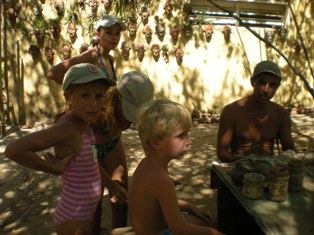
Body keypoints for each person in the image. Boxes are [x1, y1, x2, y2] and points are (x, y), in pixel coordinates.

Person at [5, 63, 118, 235]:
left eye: (99, 96)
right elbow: (13, 150)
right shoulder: (68, 128)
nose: (94, 104)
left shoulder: (84, 124)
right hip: (73, 217)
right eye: (85, 96)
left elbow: (92, 164)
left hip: (84, 214)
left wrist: (113, 186)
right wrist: (52, 169)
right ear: (68, 98)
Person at [129, 98, 224, 235]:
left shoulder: (147, 163)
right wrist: (213, 232)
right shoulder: (161, 179)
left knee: (203, 221)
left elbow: (159, 204)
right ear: (156, 143)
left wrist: (189, 207)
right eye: (181, 136)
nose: (189, 141)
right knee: (211, 227)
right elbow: (179, 230)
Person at [216, 60, 295, 163]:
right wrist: (246, 162)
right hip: (240, 168)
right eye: (262, 83)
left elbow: (290, 152)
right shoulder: (231, 112)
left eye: (272, 85)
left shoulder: (281, 115)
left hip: (270, 169)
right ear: (253, 82)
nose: (266, 90)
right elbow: (222, 152)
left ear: (278, 87)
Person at [46, 15, 126, 82]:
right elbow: (53, 72)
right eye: (109, 32)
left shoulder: (110, 59)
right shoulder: (92, 55)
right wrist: (76, 91)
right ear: (97, 35)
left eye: (117, 33)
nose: (114, 37)